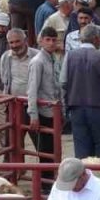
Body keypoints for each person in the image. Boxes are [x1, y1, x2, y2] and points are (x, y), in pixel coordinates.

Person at [63, 24, 100, 159]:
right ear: (96, 39)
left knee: (81, 148)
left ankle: (83, 175)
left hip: (76, 107)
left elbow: (63, 81)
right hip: (98, 106)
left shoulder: (70, 56)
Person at [27, 27, 61, 158]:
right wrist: (33, 115)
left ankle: (48, 177)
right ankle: (43, 178)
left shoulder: (53, 59)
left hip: (52, 111)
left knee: (52, 149)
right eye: (48, 40)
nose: (51, 43)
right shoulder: (37, 62)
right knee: (46, 152)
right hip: (43, 112)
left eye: (54, 40)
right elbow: (32, 90)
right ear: (41, 41)